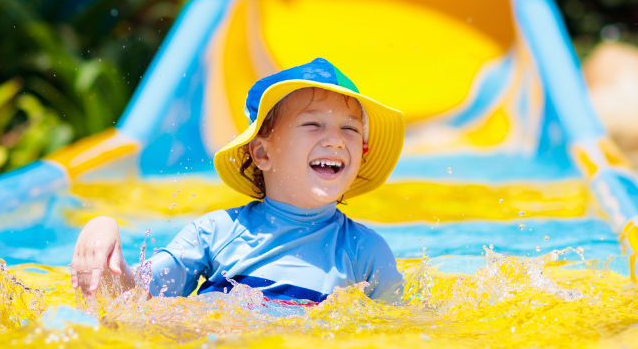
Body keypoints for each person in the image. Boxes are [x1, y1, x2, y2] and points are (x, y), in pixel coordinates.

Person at [69, 58, 406, 304]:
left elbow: (400, 330)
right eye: (313, 125)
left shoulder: (365, 252)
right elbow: (131, 301)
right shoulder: (216, 233)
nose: (336, 140)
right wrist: (102, 230)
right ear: (262, 153)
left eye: (349, 128)